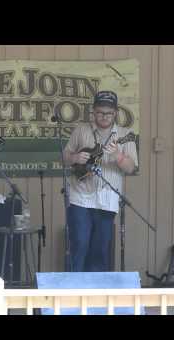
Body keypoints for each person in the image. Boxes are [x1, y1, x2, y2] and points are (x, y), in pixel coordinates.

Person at [63, 90, 138, 272]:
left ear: (115, 113)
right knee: (79, 243)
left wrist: (117, 155)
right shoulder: (81, 131)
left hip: (107, 198)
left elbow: (131, 168)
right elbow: (64, 156)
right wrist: (75, 158)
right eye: (100, 112)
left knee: (100, 248)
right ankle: (73, 291)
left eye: (109, 113)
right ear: (93, 111)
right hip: (80, 196)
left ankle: (95, 295)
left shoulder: (126, 134)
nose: (104, 116)